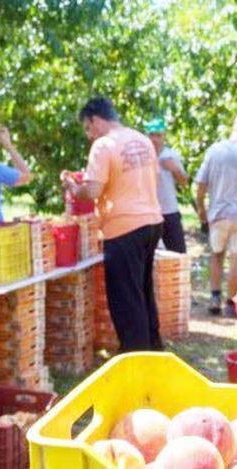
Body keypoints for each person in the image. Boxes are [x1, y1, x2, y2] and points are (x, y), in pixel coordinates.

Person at [63, 97, 164, 351]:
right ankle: (154, 349)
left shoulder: (103, 145)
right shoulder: (142, 139)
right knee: (143, 291)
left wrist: (76, 189)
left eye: (87, 127)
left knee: (126, 299)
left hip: (123, 228)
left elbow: (93, 190)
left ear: (96, 120)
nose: (89, 135)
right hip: (152, 221)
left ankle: (135, 357)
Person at [195, 115, 237, 317]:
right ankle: (231, 303)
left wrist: (201, 209)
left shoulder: (215, 150)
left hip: (219, 211)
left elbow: (201, 183)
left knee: (217, 255)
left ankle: (215, 296)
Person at [145, 117, 188, 254]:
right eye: (152, 135)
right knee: (149, 254)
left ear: (164, 136)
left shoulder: (171, 155)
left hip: (169, 211)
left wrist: (174, 169)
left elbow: (184, 181)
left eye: (158, 135)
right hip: (148, 213)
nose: (155, 139)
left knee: (178, 252)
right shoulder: (142, 156)